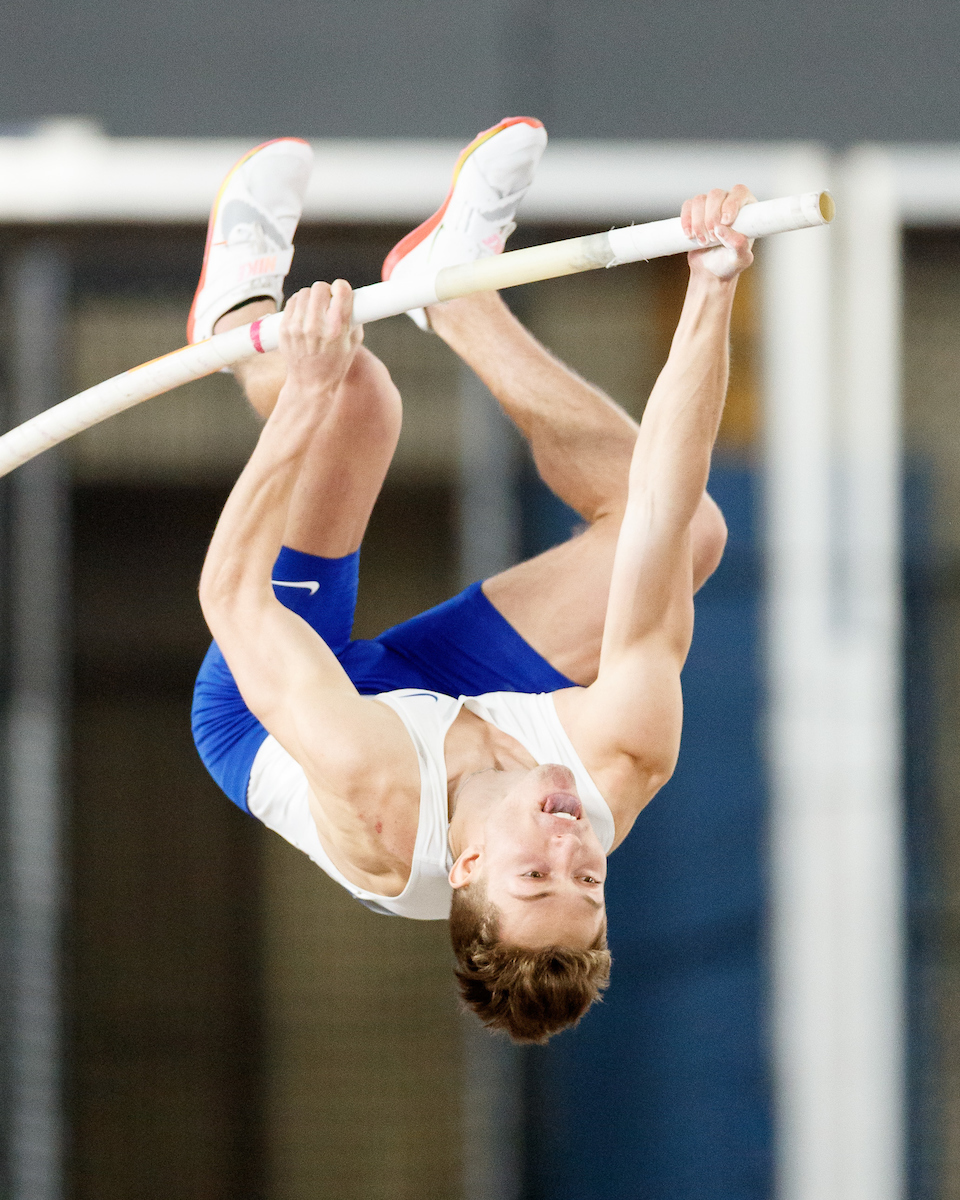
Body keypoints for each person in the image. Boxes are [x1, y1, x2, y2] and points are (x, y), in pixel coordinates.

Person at [190, 118, 752, 1043]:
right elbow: (656, 507)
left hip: (283, 708)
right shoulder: (621, 762)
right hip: (465, 706)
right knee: (690, 534)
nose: (569, 847)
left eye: (535, 875)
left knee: (357, 403)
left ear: (468, 865)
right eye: (588, 882)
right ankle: (455, 291)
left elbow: (232, 596)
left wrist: (301, 396)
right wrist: (711, 289)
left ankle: (232, 316)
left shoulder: (375, 795)